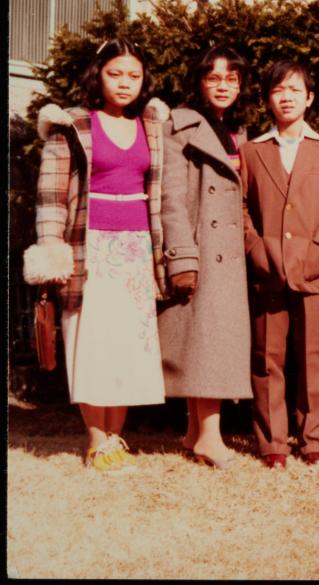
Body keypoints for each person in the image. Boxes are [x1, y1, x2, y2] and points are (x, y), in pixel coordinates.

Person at [23, 38, 168, 473]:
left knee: (129, 344)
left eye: (134, 75)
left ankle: (116, 438)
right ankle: (96, 440)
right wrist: (53, 250)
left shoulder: (151, 126)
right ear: (98, 75)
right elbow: (50, 196)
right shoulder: (74, 124)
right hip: (90, 246)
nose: (125, 83)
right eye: (115, 73)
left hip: (137, 248)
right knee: (91, 341)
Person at [239, 61, 319, 469]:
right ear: (267, 98)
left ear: (309, 98)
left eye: (295, 90)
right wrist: (254, 247)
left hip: (312, 268)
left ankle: (315, 439)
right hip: (267, 270)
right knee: (268, 358)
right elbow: (242, 208)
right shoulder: (251, 151)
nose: (287, 97)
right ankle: (273, 444)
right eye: (279, 90)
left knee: (314, 355)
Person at [156, 45, 253, 469]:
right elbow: (171, 198)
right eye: (214, 78)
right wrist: (181, 255)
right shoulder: (179, 125)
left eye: (231, 79)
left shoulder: (236, 130)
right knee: (208, 343)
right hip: (200, 249)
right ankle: (210, 437)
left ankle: (196, 431)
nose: (223, 86)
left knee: (208, 342)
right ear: (198, 81)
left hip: (227, 253)